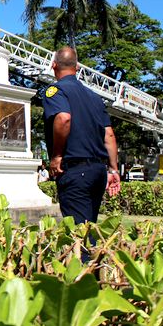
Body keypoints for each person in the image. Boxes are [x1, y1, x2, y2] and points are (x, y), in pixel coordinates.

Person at [42, 46, 120, 225]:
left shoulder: (55, 91)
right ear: (77, 68)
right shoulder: (94, 97)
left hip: (75, 170)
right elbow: (109, 135)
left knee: (79, 235)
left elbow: (63, 119)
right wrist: (113, 170)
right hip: (98, 172)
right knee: (90, 227)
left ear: (54, 66)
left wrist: (57, 155)